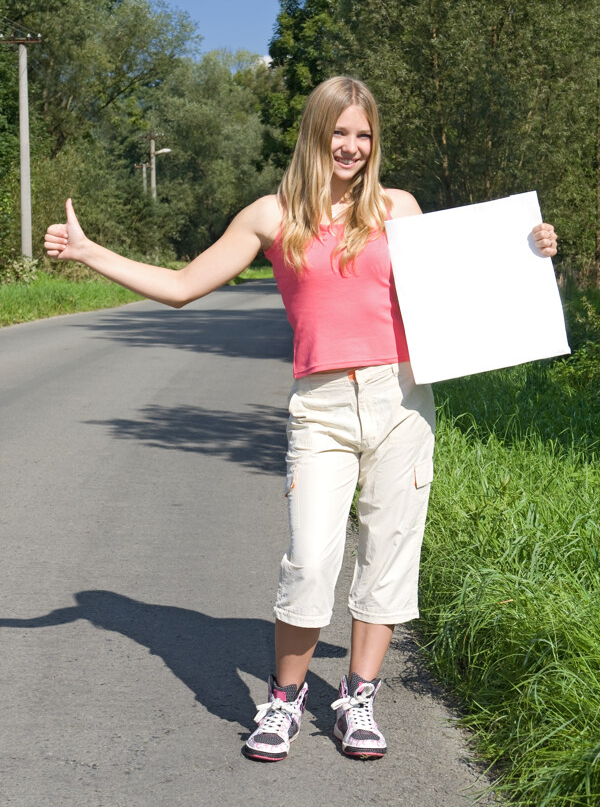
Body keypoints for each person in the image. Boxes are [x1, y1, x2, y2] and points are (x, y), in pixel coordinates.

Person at [45, 76, 558, 763]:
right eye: (339, 131)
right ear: (316, 133)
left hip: (400, 399)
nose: (351, 146)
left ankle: (356, 698)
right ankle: (285, 699)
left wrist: (532, 254)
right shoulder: (271, 215)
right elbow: (180, 286)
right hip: (319, 407)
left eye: (363, 134)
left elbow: (462, 288)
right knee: (311, 560)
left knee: (388, 553)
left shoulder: (398, 208)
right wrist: (89, 253)